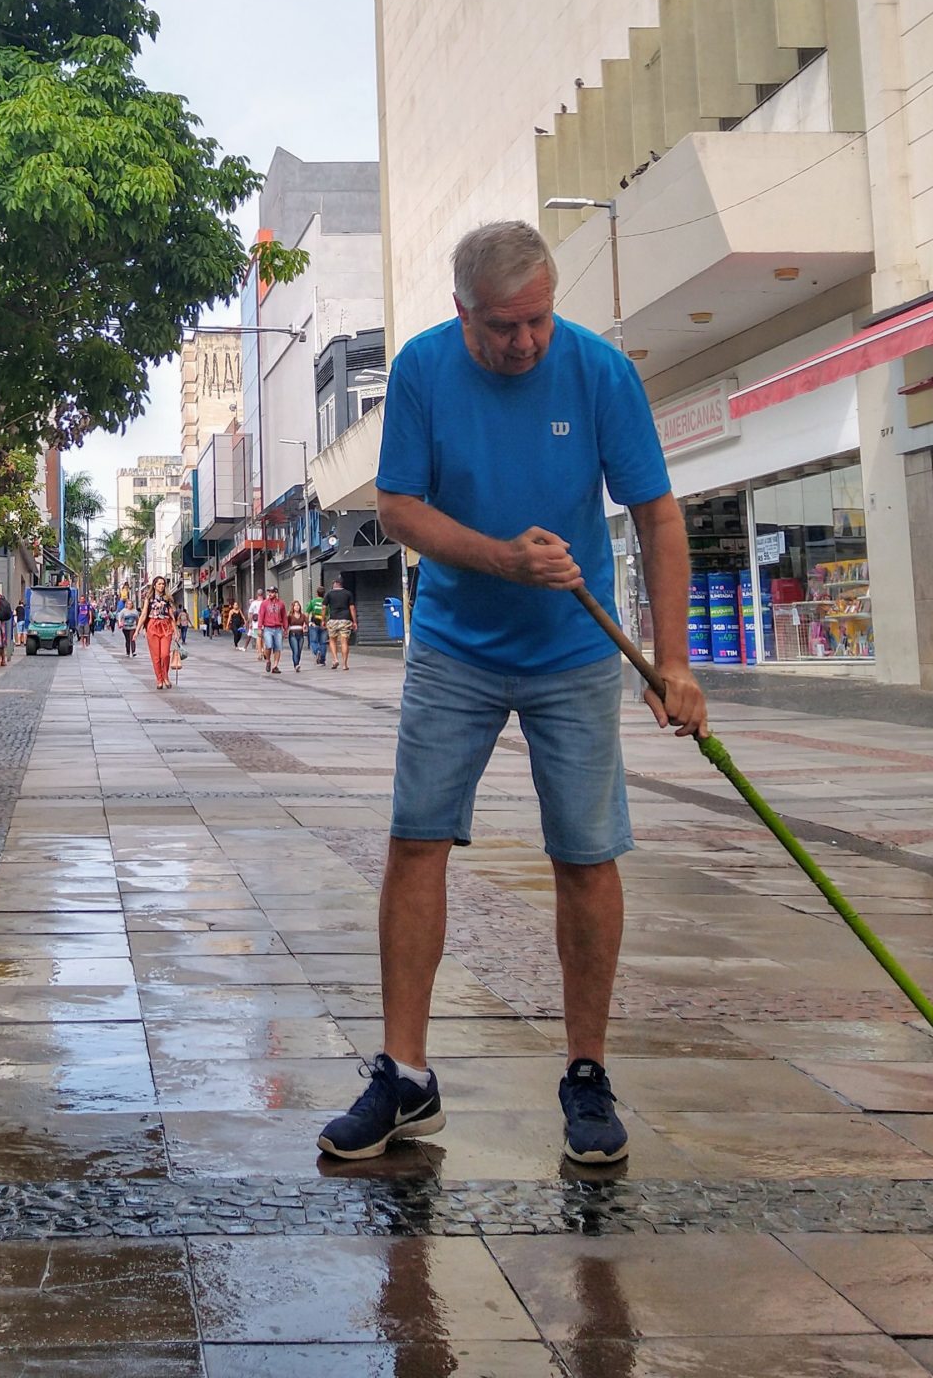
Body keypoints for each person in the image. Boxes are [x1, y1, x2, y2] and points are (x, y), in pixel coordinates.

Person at [316, 220, 703, 1171]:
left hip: (575, 650)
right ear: (462, 313)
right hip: (454, 646)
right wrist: (498, 559)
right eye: (500, 327)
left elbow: (656, 513)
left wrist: (675, 659)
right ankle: (405, 1076)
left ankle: (586, 1071)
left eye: (537, 320)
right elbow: (397, 508)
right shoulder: (421, 372)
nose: (523, 342)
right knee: (417, 842)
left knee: (586, 851)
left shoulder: (601, 373)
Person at [145, 581, 177, 691]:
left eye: (163, 584)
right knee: (156, 656)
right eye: (159, 584)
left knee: (165, 654)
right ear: (154, 586)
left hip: (166, 626)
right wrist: (137, 630)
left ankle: (165, 676)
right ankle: (159, 679)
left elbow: (171, 616)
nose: (161, 586)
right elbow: (144, 614)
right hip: (153, 626)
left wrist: (176, 631)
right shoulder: (149, 598)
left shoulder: (168, 599)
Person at [323, 579, 357, 672]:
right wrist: (354, 621)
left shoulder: (329, 594)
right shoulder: (348, 593)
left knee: (332, 640)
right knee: (344, 642)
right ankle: (345, 664)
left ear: (334, 585)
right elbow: (352, 607)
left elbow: (324, 607)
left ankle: (335, 659)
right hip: (345, 619)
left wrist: (323, 620)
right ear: (341, 585)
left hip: (333, 619)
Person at [254, 587, 289, 673]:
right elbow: (261, 615)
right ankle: (268, 660)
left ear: (276, 593)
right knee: (268, 645)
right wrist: (259, 628)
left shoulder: (281, 604)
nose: (270, 594)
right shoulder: (264, 604)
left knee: (278, 647)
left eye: (272, 592)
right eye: (269, 592)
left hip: (278, 628)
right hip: (268, 628)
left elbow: (284, 616)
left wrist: (285, 628)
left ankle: (275, 666)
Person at [307, 591, 329, 665]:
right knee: (323, 642)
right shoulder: (326, 602)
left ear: (317, 593)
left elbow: (307, 613)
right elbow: (329, 614)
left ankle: (317, 651)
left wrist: (307, 623)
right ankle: (322, 659)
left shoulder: (312, 602)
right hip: (324, 624)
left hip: (314, 623)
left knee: (313, 641)